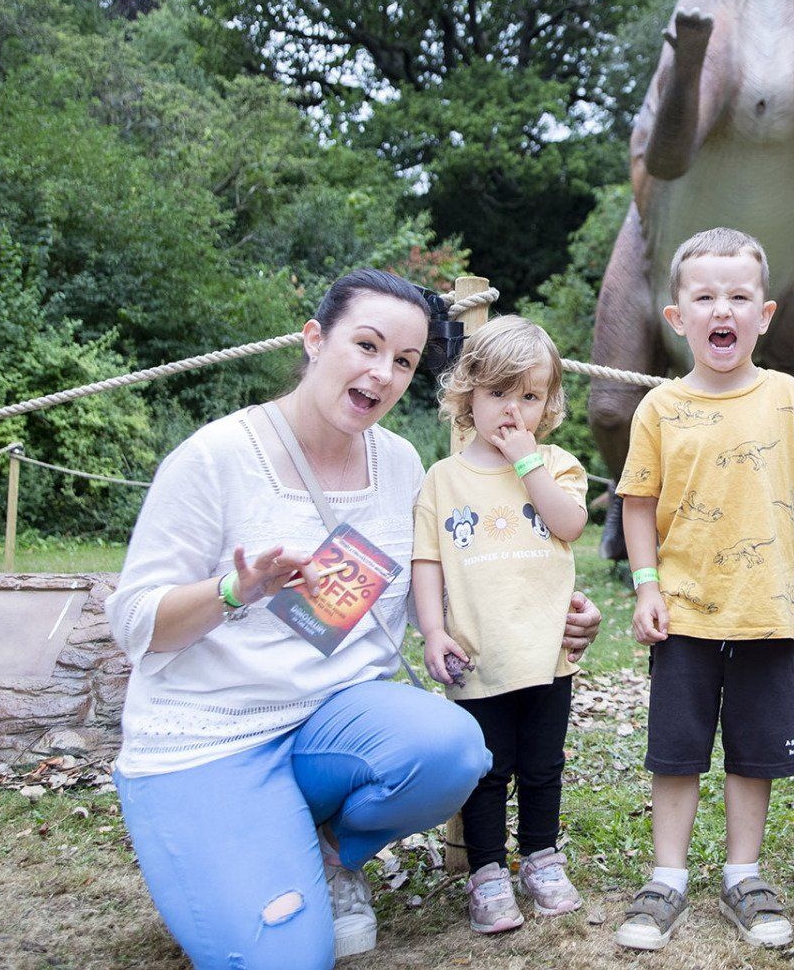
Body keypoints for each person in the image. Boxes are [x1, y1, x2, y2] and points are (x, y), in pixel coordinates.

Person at [108, 269, 603, 970]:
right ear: (314, 338)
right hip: (210, 737)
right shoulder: (215, 457)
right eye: (366, 345)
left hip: (327, 727)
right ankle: (262, 844)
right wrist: (231, 590)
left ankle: (329, 850)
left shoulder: (399, 463)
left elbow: (451, 577)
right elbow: (133, 622)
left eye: (402, 360)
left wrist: (550, 612)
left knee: (457, 748)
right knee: (285, 958)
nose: (382, 372)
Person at [610, 227, 794, 951]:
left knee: (754, 751)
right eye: (704, 296)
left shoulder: (792, 398)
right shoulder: (659, 407)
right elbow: (637, 501)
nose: (721, 308)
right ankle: (666, 874)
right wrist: (645, 585)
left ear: (764, 315)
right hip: (685, 610)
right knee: (675, 749)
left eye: (738, 295)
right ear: (678, 318)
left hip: (769, 614)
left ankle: (744, 870)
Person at [410, 316, 590, 935]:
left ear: (549, 403)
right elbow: (427, 563)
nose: (513, 411)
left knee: (543, 764)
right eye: (497, 394)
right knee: (486, 772)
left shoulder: (558, 464)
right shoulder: (443, 479)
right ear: (467, 395)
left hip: (546, 655)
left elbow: (568, 525)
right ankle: (486, 870)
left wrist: (527, 463)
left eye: (530, 396)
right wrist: (433, 632)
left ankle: (541, 855)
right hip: (476, 654)